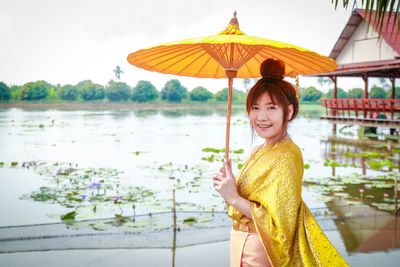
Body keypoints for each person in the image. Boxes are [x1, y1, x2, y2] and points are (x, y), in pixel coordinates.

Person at [213, 58, 349, 267]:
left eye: (271, 108)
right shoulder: (258, 150)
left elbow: (281, 223)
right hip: (239, 244)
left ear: (289, 111)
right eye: (255, 107)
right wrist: (229, 184)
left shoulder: (288, 155)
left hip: (261, 251)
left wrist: (233, 197)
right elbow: (244, 201)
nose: (261, 117)